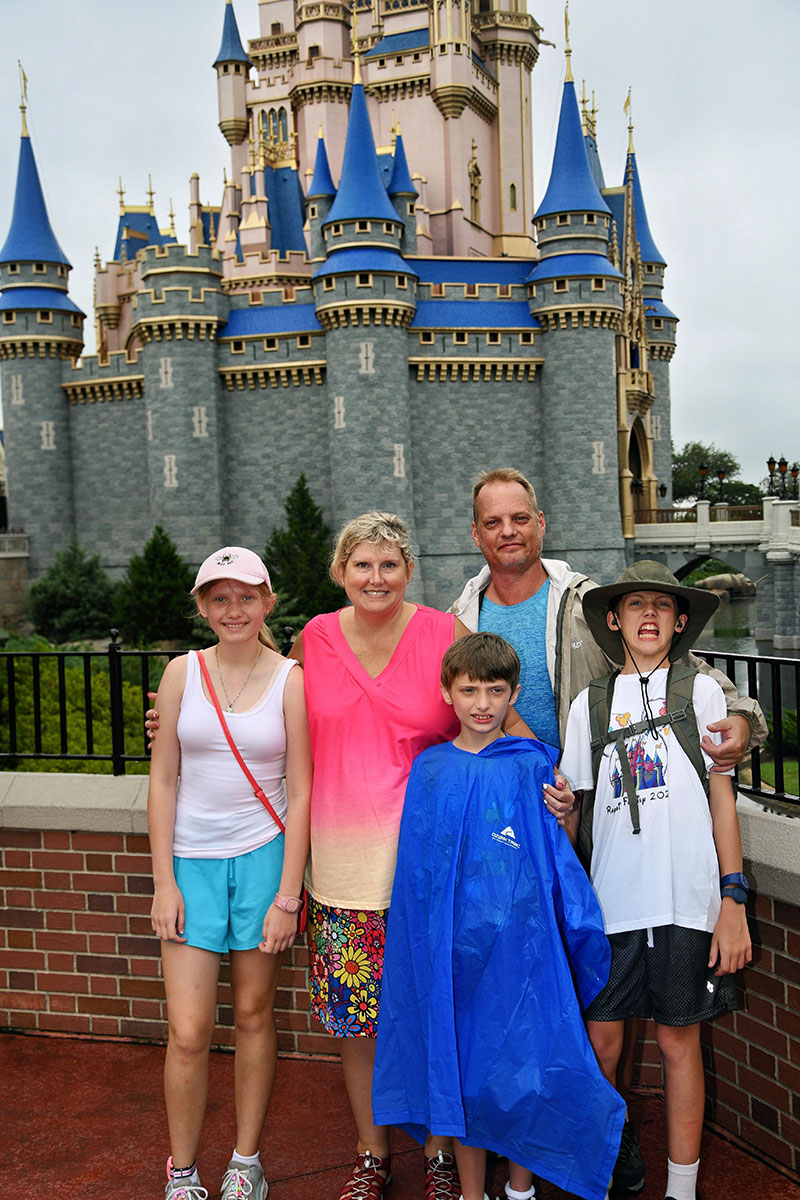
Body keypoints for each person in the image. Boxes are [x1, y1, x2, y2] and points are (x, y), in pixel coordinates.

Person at [450, 467, 766, 1193]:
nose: (508, 532)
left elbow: (721, 748)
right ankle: (577, 1154)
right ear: (476, 534)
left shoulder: (674, 671)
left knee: (666, 1042)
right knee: (583, 1032)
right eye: (494, 522)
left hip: (661, 890)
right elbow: (427, 696)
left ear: (540, 523)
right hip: (558, 869)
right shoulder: (459, 615)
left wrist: (733, 894)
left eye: (520, 518)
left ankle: (645, 1173)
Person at [290, 512, 566, 1200]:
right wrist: (176, 716)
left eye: (389, 564)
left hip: (437, 867)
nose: (376, 578)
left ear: (409, 571)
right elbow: (271, 706)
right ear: (339, 573)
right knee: (360, 1023)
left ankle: (442, 1149)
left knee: (439, 1007)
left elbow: (496, 706)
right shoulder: (318, 637)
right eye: (362, 565)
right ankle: (371, 1152)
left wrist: (550, 783)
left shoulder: (444, 632)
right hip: (344, 867)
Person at [372, 633, 626, 1200]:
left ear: (514, 693)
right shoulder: (430, 771)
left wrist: (569, 921)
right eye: (469, 690)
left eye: (495, 690)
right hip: (454, 953)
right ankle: (470, 1192)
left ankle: (519, 1189)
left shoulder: (531, 764)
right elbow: (418, 877)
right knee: (466, 1070)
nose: (482, 703)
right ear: (447, 693)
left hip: (519, 948)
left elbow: (554, 854)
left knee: (521, 1066)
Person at [558, 562, 752, 1200]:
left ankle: (681, 1188)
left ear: (679, 620)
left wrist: (733, 898)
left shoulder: (700, 692)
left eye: (661, 606)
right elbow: (577, 811)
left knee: (677, 1043)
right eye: (634, 605)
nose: (648, 616)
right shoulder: (590, 704)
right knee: (603, 1043)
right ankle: (603, 1163)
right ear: (613, 619)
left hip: (686, 901)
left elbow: (722, 801)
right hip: (611, 903)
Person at [148, 546, 311, 1200]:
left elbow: (301, 790)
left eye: (246, 595)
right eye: (219, 597)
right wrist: (164, 881)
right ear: (203, 606)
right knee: (187, 1031)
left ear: (267, 601)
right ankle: (182, 1172)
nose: (233, 608)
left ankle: (246, 1161)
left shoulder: (291, 679)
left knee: (251, 1014)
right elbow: (162, 782)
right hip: (192, 864)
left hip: (265, 859)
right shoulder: (180, 674)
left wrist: (288, 894)